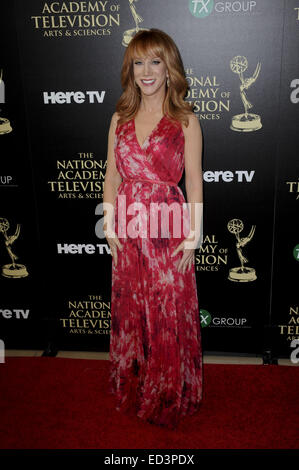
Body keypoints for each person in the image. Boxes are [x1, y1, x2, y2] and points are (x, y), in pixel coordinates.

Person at [103, 28, 203, 429]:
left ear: (168, 68)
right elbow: (110, 177)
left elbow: (193, 181)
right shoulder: (119, 117)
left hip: (168, 224)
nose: (147, 71)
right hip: (127, 226)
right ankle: (137, 382)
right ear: (130, 69)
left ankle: (169, 391)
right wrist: (109, 227)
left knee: (168, 311)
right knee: (133, 310)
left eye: (155, 61)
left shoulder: (185, 119)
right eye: (138, 62)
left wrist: (192, 237)